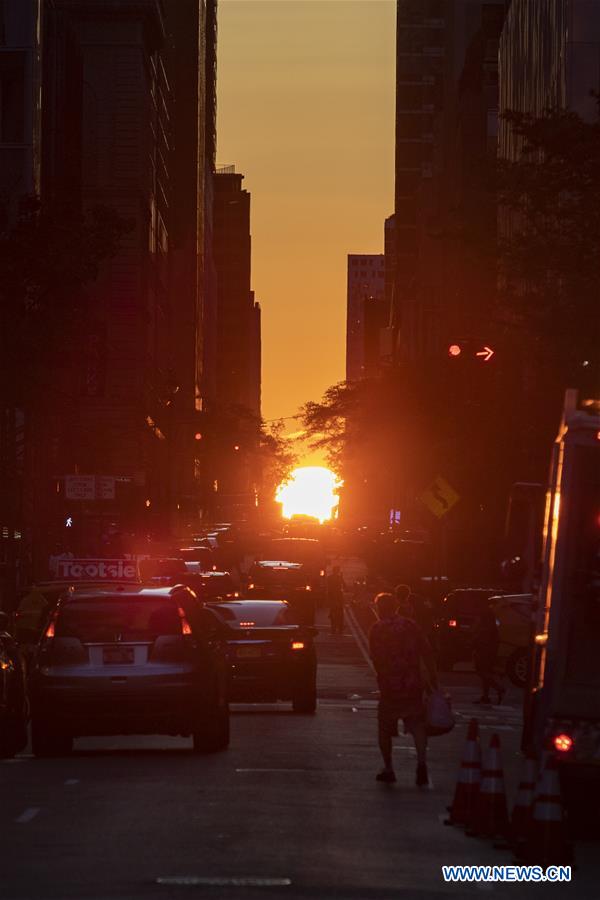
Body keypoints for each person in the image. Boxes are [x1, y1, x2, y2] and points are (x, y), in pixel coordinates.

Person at [369, 592, 438, 786]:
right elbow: (427, 652)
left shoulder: (377, 629)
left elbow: (376, 659)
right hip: (412, 685)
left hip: (390, 687)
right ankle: (422, 763)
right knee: (417, 725)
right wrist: (433, 679)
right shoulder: (411, 626)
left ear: (379, 608)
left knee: (384, 727)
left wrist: (383, 677)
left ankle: (389, 767)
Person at [472, 601, 505, 705]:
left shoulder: (485, 622)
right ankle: (486, 696)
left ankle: (499, 688)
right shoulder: (490, 619)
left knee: (482, 672)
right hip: (488, 649)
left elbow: (481, 635)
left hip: (484, 649)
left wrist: (475, 641)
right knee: (485, 672)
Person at [327, 565, 345, 635]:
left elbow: (328, 587)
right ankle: (340, 629)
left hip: (332, 596)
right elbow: (345, 586)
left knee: (332, 612)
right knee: (340, 613)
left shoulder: (329, 578)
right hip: (338, 596)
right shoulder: (339, 578)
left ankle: (333, 629)